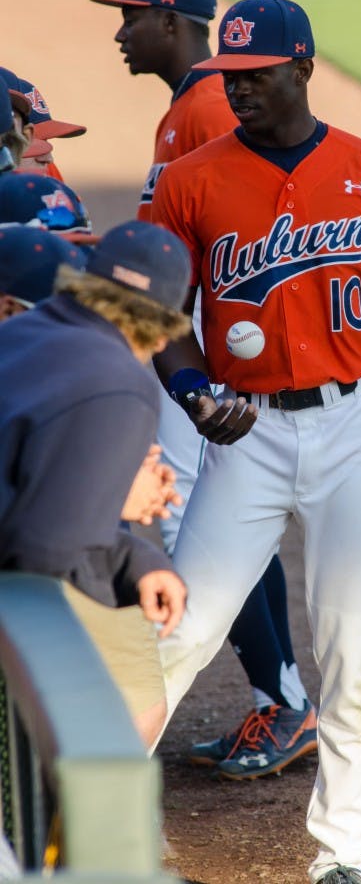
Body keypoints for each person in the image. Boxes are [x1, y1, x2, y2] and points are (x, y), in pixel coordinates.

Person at [147, 0, 361, 883]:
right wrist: (195, 390)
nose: (238, 90)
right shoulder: (191, 180)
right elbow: (153, 314)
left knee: (354, 646)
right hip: (244, 435)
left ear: (304, 68)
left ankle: (345, 853)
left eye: (258, 76)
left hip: (354, 428)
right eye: (231, 76)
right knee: (179, 629)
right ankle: (91, 813)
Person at [90, 0, 318, 775]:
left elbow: (232, 247)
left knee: (202, 528)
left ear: (170, 18)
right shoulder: (184, 111)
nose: (119, 33)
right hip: (188, 351)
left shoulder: (211, 107)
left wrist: (153, 343)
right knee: (211, 526)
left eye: (130, 17)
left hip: (205, 359)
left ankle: (283, 701)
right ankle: (278, 698)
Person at [0, 220, 193, 748]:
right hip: (17, 595)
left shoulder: (17, 334)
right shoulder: (120, 385)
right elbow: (44, 560)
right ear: (161, 329)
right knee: (132, 700)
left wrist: (136, 558)